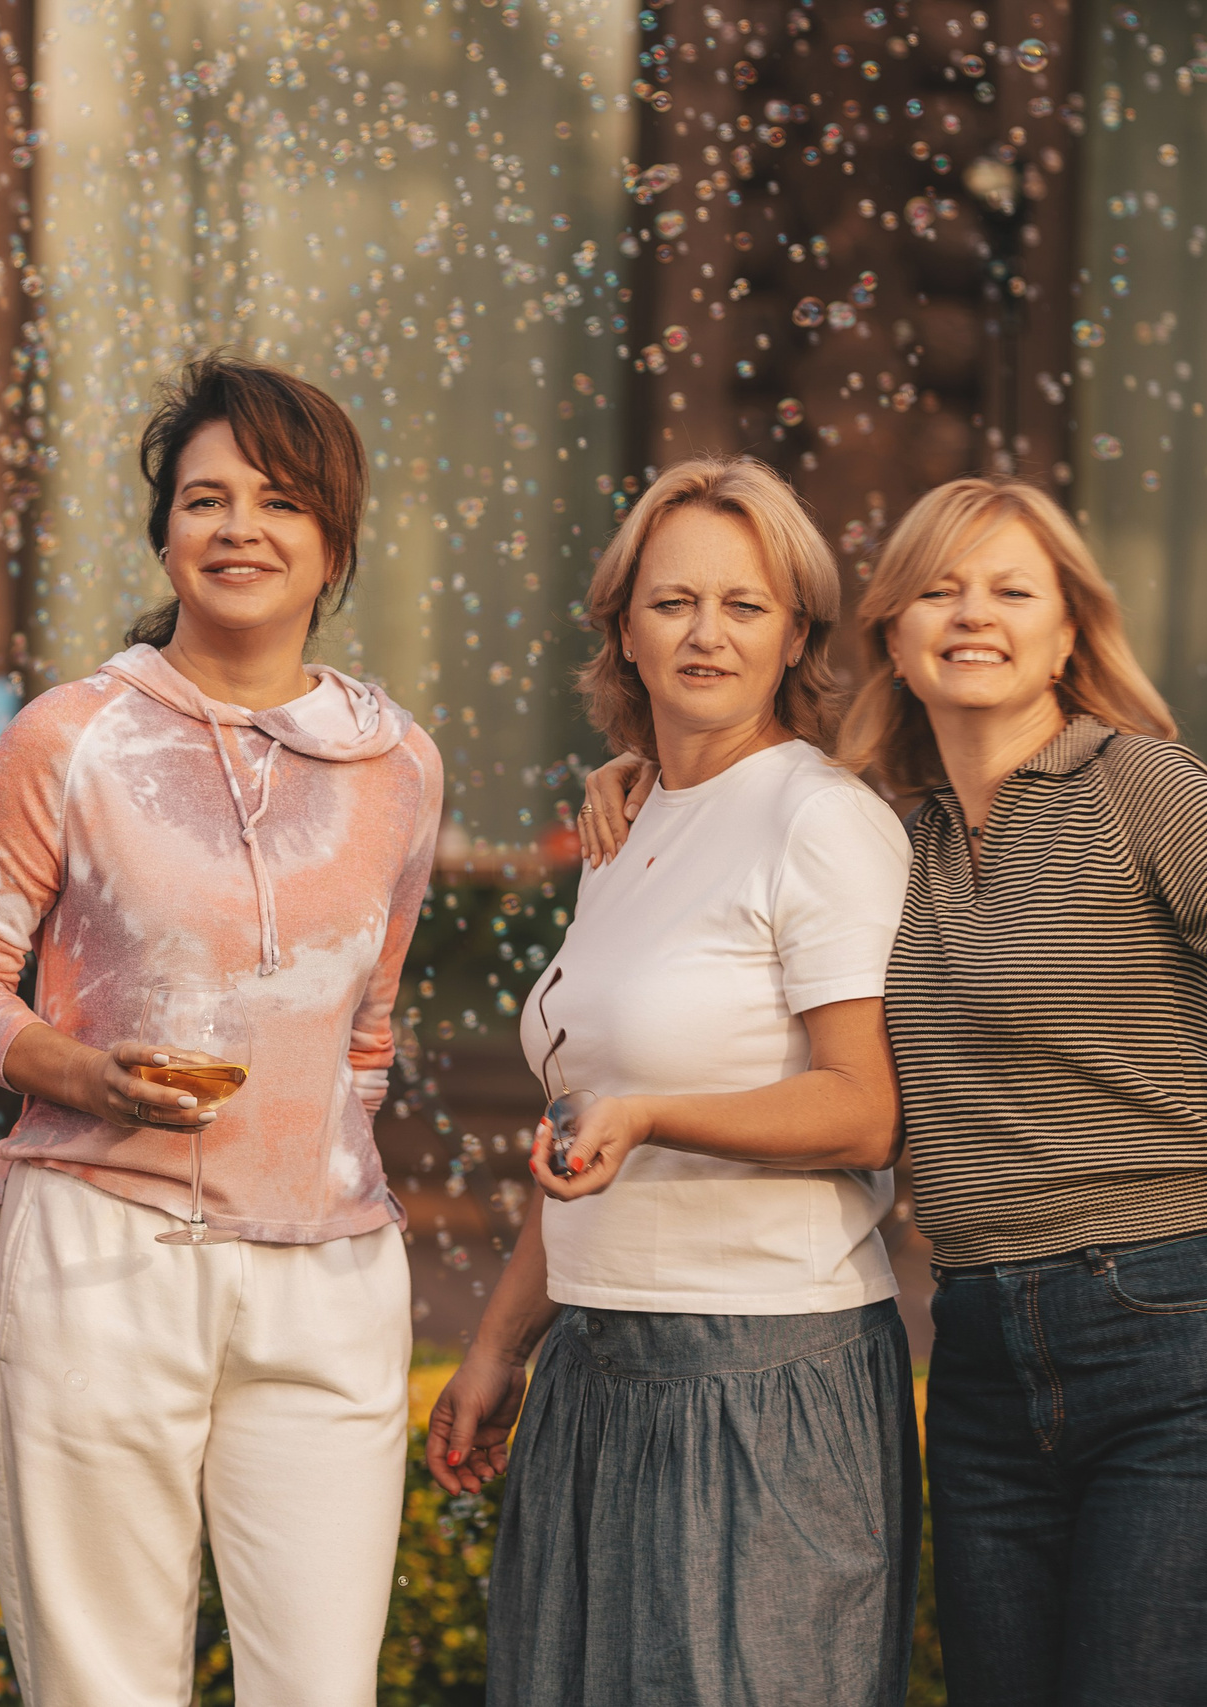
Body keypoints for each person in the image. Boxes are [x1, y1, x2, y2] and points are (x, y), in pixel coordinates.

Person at [581, 474, 1207, 1706]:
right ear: (891, 635)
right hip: (982, 1353)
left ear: (1069, 630)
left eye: (1013, 589)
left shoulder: (1139, 786)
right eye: (939, 589)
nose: (973, 613)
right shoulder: (890, 832)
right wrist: (645, 778)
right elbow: (749, 816)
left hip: (1175, 1328)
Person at [0, 353, 443, 1707]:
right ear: (163, 534)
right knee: (104, 1684)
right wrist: (76, 1070)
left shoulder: (403, 765)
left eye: (279, 501)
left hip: (329, 1271)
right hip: (103, 1248)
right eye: (206, 499)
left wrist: (308, 1154)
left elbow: (369, 1023)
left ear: (334, 543)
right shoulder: (67, 737)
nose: (238, 527)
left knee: (322, 1685)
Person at [430, 457, 919, 1707]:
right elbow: (579, 1130)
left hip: (761, 1379)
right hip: (594, 1371)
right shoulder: (625, 823)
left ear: (796, 632)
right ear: (622, 629)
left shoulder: (821, 820)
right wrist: (498, 1348)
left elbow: (863, 1109)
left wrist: (650, 1114)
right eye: (672, 602)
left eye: (745, 606)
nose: (706, 634)